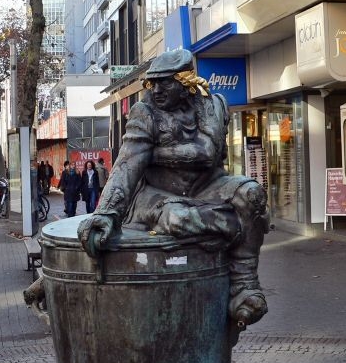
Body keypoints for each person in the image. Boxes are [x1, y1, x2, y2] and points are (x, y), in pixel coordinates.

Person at [77, 49, 270, 327]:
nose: (155, 90)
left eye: (164, 82)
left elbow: (207, 152)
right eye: (151, 83)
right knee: (179, 219)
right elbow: (128, 164)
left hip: (207, 187)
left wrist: (155, 154)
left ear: (186, 81)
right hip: (157, 195)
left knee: (252, 194)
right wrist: (106, 213)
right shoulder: (144, 112)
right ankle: (232, 229)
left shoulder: (212, 104)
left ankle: (245, 283)